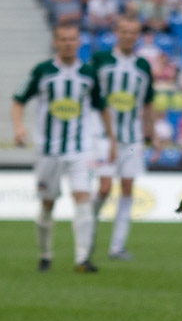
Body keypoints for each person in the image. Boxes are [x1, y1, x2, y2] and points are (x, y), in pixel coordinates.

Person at [11, 22, 115, 273]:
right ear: (55, 42)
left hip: (80, 149)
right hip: (49, 150)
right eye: (63, 39)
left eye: (72, 39)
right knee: (47, 204)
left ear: (79, 42)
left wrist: (112, 139)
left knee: (83, 197)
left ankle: (82, 259)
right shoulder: (43, 71)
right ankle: (45, 254)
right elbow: (18, 99)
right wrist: (18, 126)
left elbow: (102, 107)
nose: (68, 44)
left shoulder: (88, 73)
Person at [90, 17, 158, 262]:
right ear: (116, 32)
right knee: (105, 187)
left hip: (132, 137)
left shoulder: (143, 65)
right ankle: (88, 229)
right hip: (103, 136)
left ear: (138, 35)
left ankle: (117, 246)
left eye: (133, 32)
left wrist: (153, 134)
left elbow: (148, 102)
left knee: (128, 188)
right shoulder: (101, 59)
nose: (129, 36)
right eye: (124, 31)